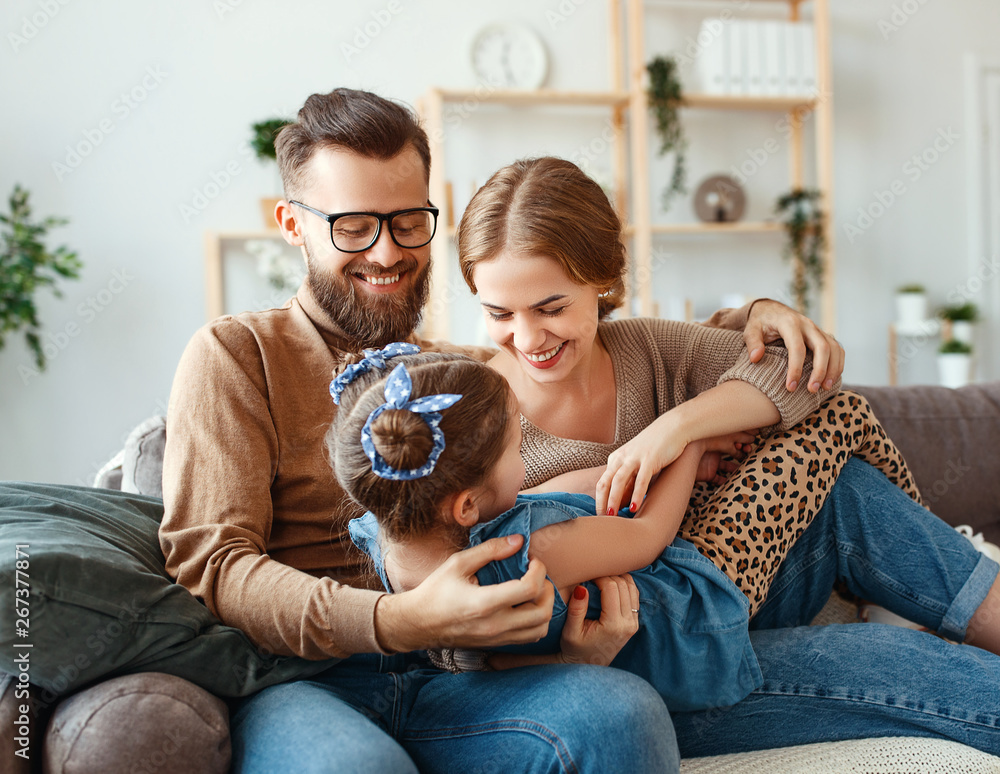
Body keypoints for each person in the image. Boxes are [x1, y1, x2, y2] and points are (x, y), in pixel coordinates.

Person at [159, 88, 833, 773]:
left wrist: (755, 313)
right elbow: (212, 564)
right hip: (308, 681)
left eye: (407, 222)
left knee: (619, 714)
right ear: (292, 224)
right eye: (354, 226)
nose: (388, 253)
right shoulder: (237, 354)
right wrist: (399, 621)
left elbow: (603, 354)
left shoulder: (462, 374)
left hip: (463, 678)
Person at [451, 155, 1000, 754]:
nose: (528, 338)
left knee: (847, 490)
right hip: (657, 666)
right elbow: (456, 628)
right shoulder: (473, 416)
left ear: (602, 280)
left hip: (720, 594)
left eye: (552, 308)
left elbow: (806, 373)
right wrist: (572, 660)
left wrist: (675, 426)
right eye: (499, 314)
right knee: (911, 667)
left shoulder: (644, 348)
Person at [330, 348, 930, 712]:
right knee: (839, 413)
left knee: (808, 457)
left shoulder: (396, 543)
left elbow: (556, 494)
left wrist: (646, 462)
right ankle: (905, 582)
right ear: (464, 506)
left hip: (661, 597)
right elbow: (648, 537)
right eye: (519, 447)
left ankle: (891, 581)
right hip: (702, 592)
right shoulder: (529, 548)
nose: (528, 457)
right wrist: (688, 444)